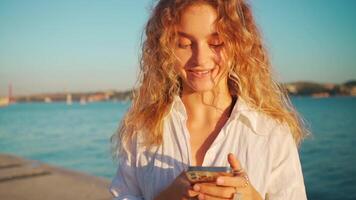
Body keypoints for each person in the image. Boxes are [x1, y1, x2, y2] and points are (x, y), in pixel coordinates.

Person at [110, 0, 309, 199]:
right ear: (165, 48)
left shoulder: (272, 133)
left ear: (238, 45)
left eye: (216, 42)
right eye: (184, 44)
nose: (200, 59)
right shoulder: (142, 130)